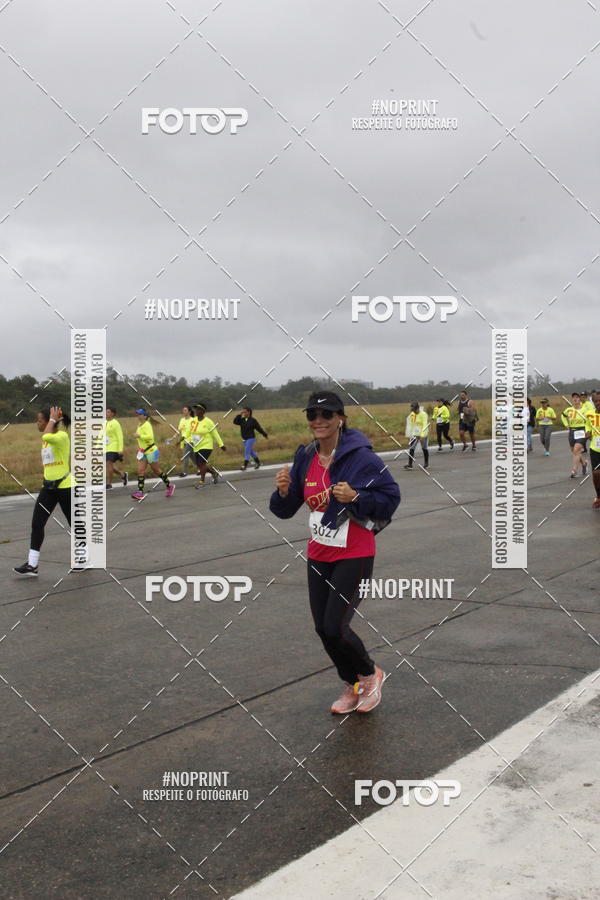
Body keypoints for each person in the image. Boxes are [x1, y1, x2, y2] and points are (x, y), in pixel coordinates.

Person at [270, 391, 400, 715]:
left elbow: (390, 497)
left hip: (354, 553)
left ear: (340, 418)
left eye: (325, 415)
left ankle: (370, 675)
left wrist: (357, 496)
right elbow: (286, 509)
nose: (318, 421)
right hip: (319, 553)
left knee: (335, 626)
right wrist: (283, 492)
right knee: (322, 629)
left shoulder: (361, 458)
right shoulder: (306, 458)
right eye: (311, 415)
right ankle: (352, 684)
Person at [14, 406, 72, 576]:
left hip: (66, 486)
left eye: (39, 420)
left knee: (75, 524)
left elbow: (46, 434)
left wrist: (54, 420)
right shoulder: (47, 440)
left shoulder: (61, 436)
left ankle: (85, 558)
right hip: (48, 487)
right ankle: (32, 565)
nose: (36, 423)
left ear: (49, 421)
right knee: (37, 523)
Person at [130, 408, 175, 500]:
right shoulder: (139, 425)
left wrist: (139, 436)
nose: (138, 416)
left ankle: (169, 486)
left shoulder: (147, 425)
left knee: (156, 470)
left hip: (151, 451)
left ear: (145, 416)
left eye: (140, 414)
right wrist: (139, 446)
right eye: (137, 414)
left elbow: (150, 437)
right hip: (143, 452)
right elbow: (141, 440)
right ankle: (140, 492)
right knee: (140, 471)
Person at [191, 403, 227, 487]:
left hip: (206, 445)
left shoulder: (208, 422)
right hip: (197, 446)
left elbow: (215, 434)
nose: (196, 411)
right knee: (199, 464)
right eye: (196, 409)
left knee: (201, 463)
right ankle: (214, 472)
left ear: (203, 411)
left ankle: (202, 481)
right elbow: (192, 433)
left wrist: (221, 444)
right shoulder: (194, 420)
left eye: (199, 409)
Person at [561, 393, 589, 478]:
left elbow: (590, 419)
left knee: (577, 449)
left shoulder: (585, 410)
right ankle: (584, 464)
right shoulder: (569, 409)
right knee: (575, 451)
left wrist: (589, 430)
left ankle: (574, 470)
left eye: (577, 397)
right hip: (572, 431)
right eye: (573, 398)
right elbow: (563, 415)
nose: (575, 399)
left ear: (580, 399)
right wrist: (566, 424)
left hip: (582, 430)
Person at [104, 407, 127, 489]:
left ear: (113, 414)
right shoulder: (105, 423)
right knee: (109, 466)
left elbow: (120, 437)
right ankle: (122, 474)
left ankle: (109, 484)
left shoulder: (115, 423)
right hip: (106, 447)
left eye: (108, 412)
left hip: (113, 447)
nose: (106, 413)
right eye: (106, 412)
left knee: (109, 464)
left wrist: (120, 449)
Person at [584, 391, 600, 508]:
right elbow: (588, 429)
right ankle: (599, 496)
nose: (598, 403)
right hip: (595, 448)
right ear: (593, 402)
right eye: (596, 401)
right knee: (596, 474)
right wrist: (587, 433)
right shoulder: (589, 414)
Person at [404, 401, 430, 470]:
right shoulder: (413, 414)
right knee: (411, 448)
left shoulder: (423, 414)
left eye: (414, 410)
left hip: (423, 433)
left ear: (418, 408)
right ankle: (410, 465)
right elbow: (411, 425)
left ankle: (426, 463)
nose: (413, 412)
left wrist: (422, 435)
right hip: (415, 434)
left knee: (424, 448)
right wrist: (409, 435)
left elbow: (425, 425)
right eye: (412, 410)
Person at [173, 404, 195, 477]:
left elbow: (189, 433)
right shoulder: (182, 420)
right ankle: (201, 468)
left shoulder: (193, 420)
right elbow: (179, 430)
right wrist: (173, 437)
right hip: (184, 441)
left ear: (189, 412)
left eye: (185, 410)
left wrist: (179, 441)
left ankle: (184, 472)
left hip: (191, 441)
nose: (183, 411)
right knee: (192, 456)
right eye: (183, 410)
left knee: (185, 456)